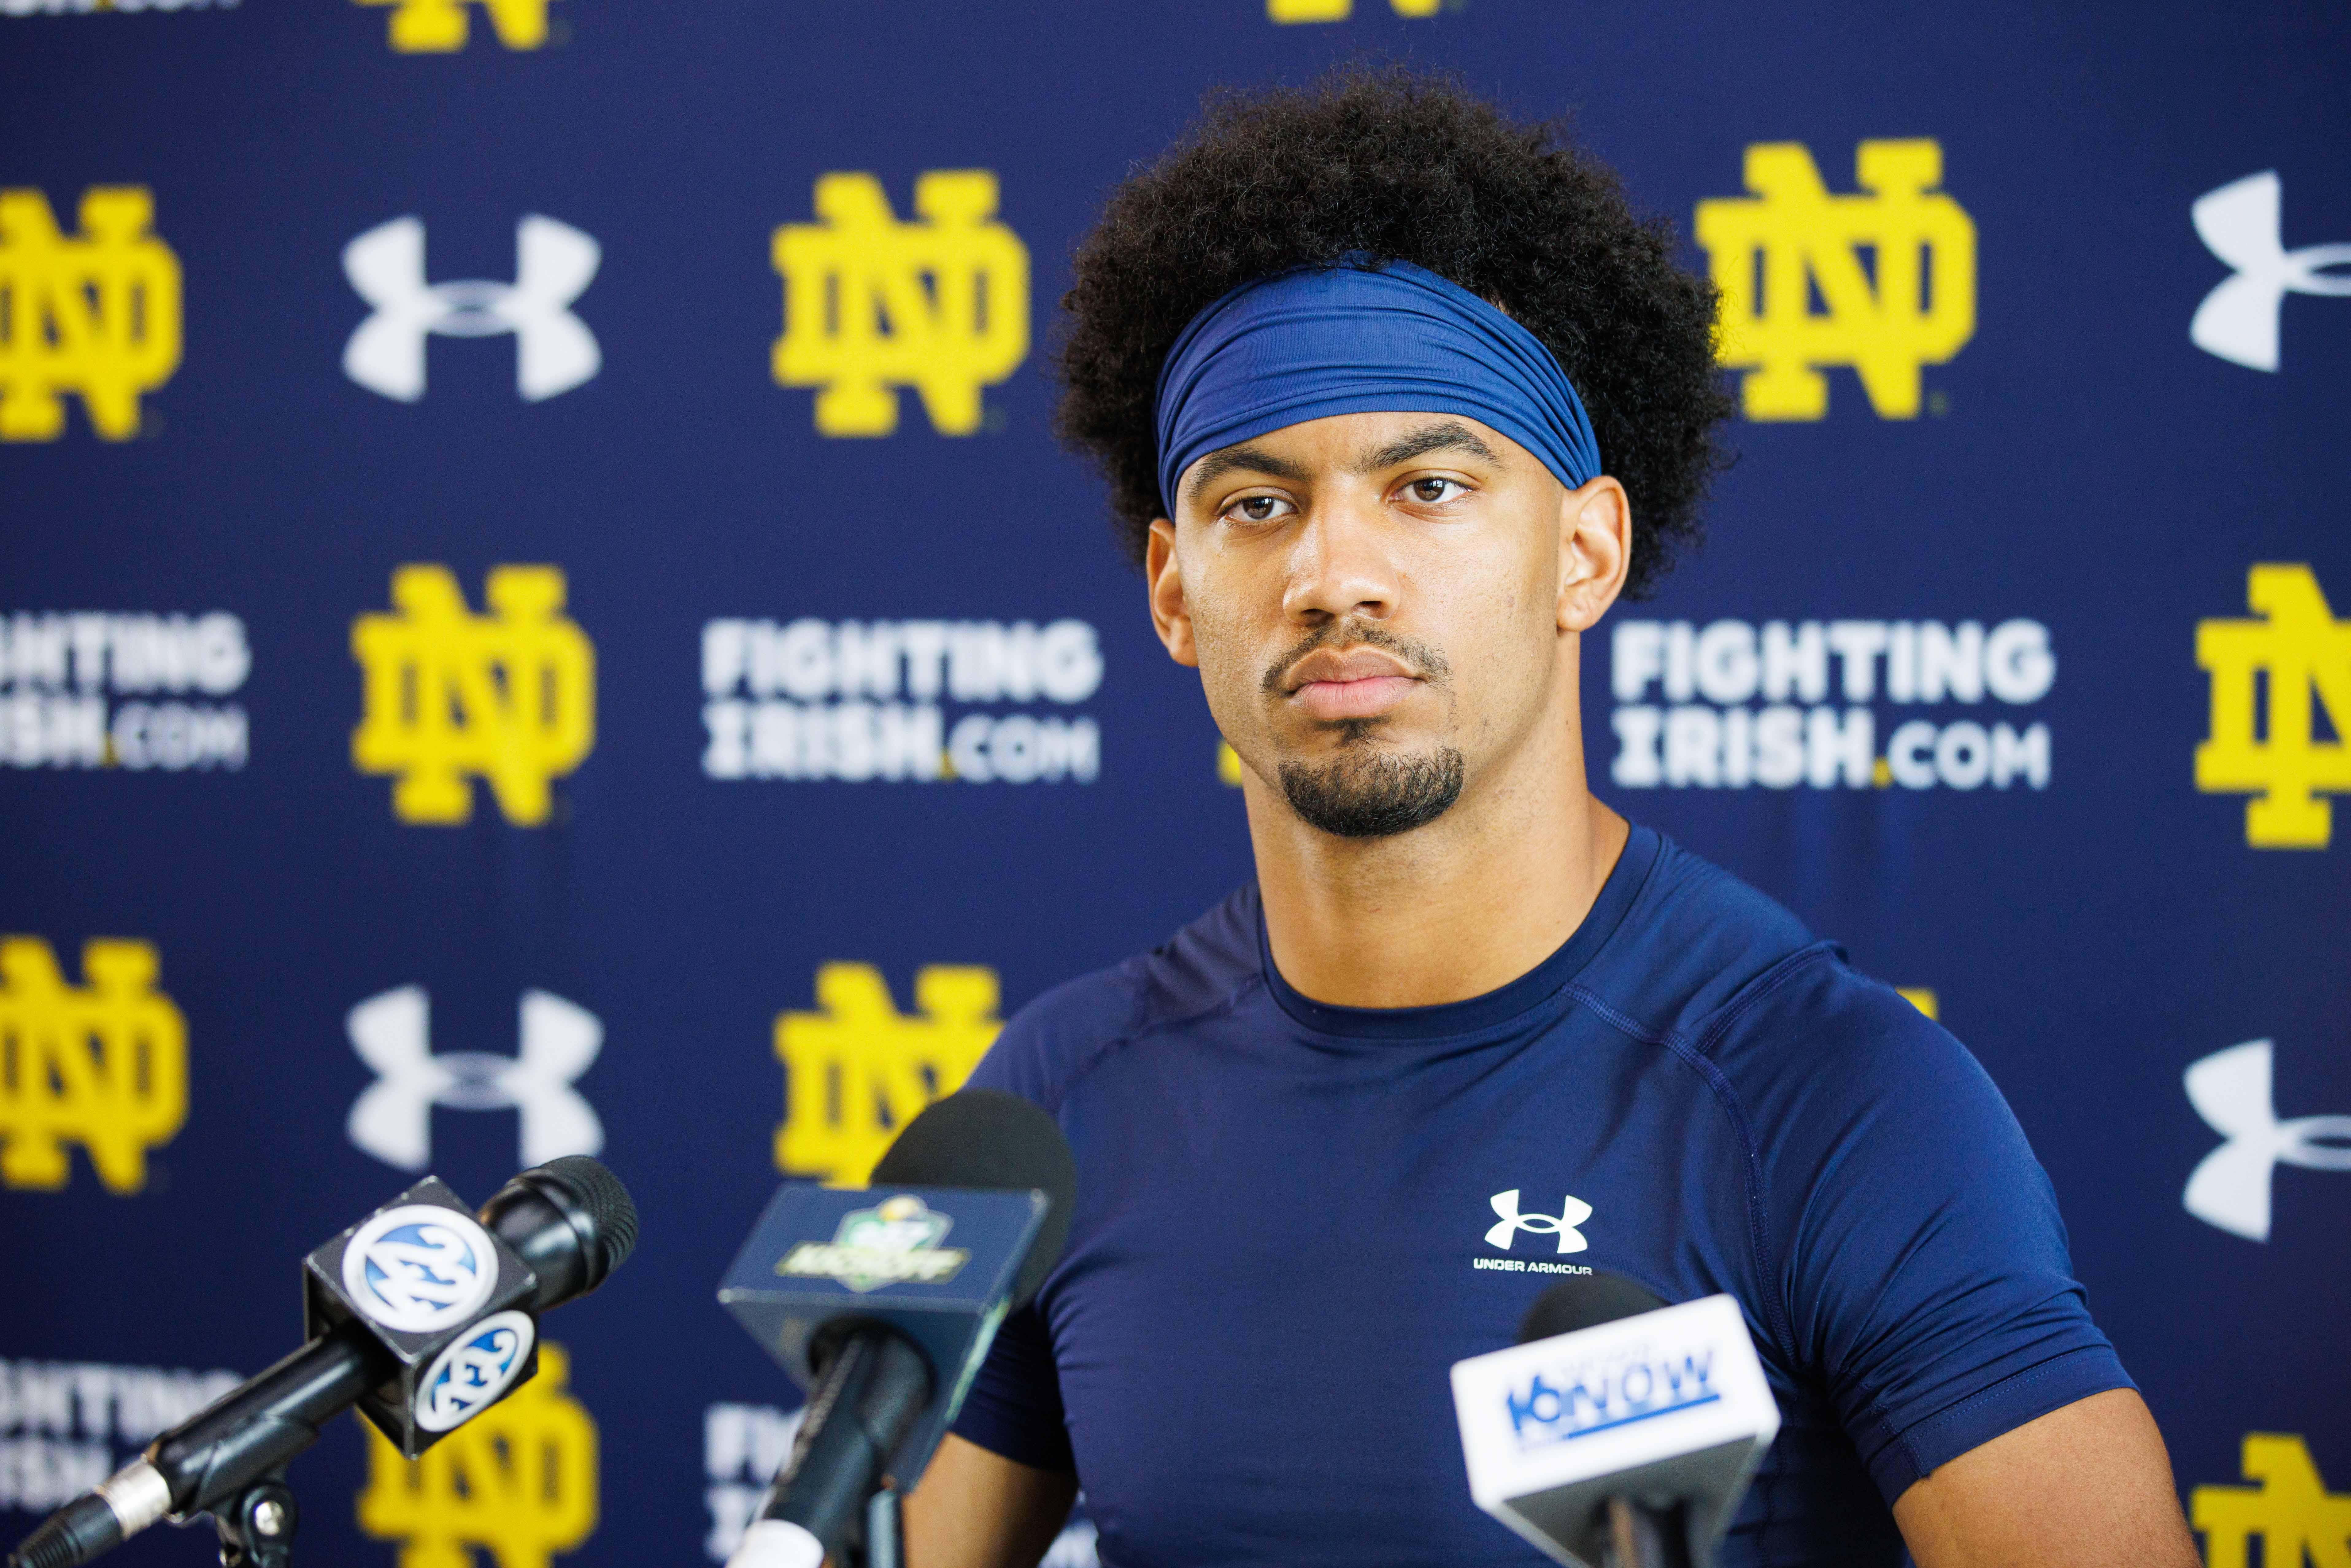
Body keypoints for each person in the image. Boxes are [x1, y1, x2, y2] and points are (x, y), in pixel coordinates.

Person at [903, 68, 2200, 1568]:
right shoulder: (1060, 1098)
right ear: (1169, 591)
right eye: (1255, 504)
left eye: (1429, 487)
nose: (1334, 572)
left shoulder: (1830, 1102)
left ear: (1583, 553)